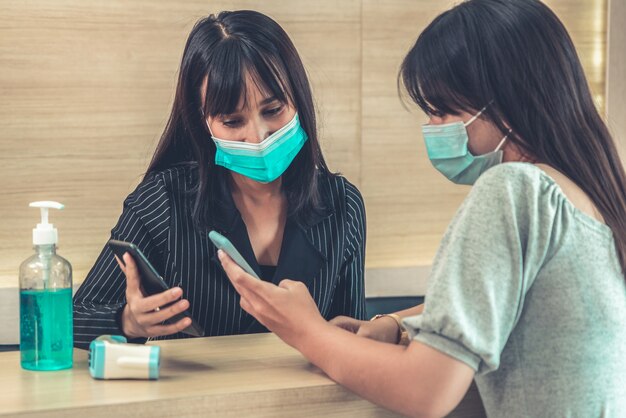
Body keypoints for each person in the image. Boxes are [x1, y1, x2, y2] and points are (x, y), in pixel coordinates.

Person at [217, 1, 626, 416]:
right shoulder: (590, 195)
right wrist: (394, 325)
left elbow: (426, 390)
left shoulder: (514, 190)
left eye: (442, 110)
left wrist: (305, 331)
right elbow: (499, 299)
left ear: (507, 102)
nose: (433, 128)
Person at [73, 10, 366, 349]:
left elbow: (355, 338)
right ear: (204, 123)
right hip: (195, 402)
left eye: (273, 111)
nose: (257, 137)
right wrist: (129, 321)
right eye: (232, 121)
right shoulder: (163, 200)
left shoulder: (343, 205)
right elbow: (72, 320)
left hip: (307, 400)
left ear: (298, 100)